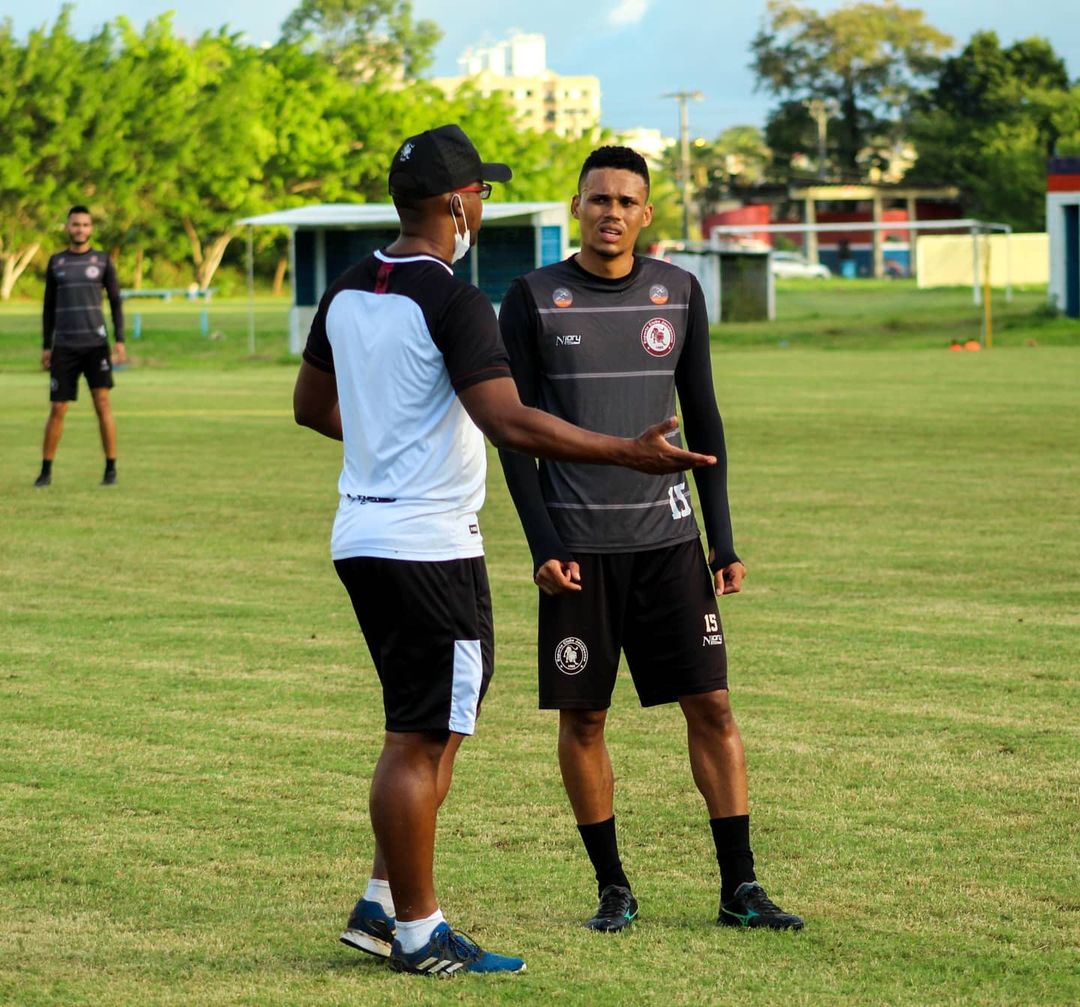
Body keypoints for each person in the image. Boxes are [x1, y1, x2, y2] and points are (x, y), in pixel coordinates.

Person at [292, 124, 715, 977]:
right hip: (427, 546)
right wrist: (626, 452)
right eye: (479, 191)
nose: (483, 201)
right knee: (417, 738)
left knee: (432, 726)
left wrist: (387, 434)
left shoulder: (347, 287)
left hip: (365, 534)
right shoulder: (454, 299)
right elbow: (511, 421)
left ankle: (381, 903)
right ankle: (417, 929)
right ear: (455, 204)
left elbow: (311, 406)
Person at [497, 146, 804, 935]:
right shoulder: (532, 297)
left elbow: (704, 422)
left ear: (646, 214)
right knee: (585, 720)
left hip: (669, 545)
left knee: (713, 704)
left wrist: (722, 540)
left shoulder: (679, 291)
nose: (612, 212)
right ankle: (613, 887)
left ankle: (741, 887)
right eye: (598, 198)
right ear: (576, 206)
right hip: (580, 553)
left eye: (627, 201)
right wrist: (542, 544)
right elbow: (516, 436)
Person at [36, 205, 126, 488]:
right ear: (67, 227)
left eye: (85, 225)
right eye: (75, 224)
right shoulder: (56, 263)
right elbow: (48, 307)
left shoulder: (102, 260)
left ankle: (111, 469)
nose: (80, 229)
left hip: (95, 344)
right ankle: (45, 471)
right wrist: (46, 345)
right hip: (64, 345)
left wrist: (120, 339)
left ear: (91, 229)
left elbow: (115, 302)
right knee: (58, 408)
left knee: (102, 404)